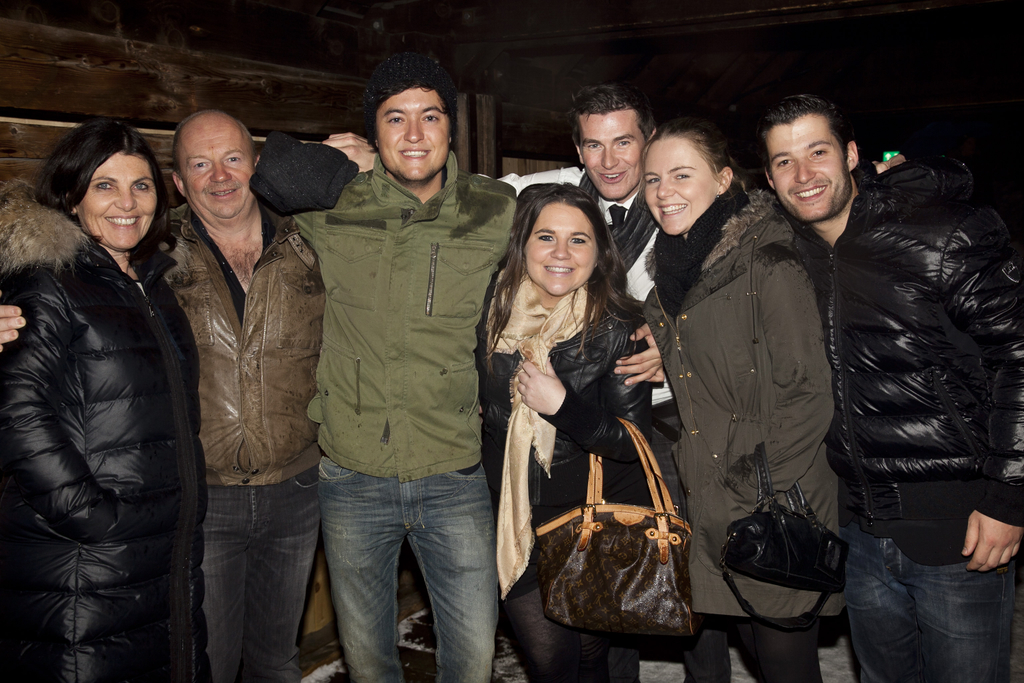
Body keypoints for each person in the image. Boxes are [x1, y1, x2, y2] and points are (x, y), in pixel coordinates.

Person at [250, 52, 517, 682]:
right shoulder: (333, 203)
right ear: (374, 131)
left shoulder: (494, 209)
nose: (415, 134)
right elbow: (265, 172)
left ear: (452, 128)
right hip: (353, 474)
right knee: (369, 662)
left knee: (473, 658)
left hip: (454, 468)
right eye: (396, 118)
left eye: (431, 116)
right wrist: (339, 159)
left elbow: (577, 247)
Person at [757, 94, 1024, 683]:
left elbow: (1018, 356)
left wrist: (1009, 497)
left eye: (818, 152)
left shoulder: (941, 234)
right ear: (769, 179)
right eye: (783, 161)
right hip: (856, 527)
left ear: (852, 155)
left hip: (958, 529)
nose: (803, 175)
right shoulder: (787, 257)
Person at [0, 118, 208, 681]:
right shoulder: (49, 282)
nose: (127, 203)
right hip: (84, 559)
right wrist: (90, 516)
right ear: (71, 197)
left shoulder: (151, 283)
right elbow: (16, 409)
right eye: (104, 185)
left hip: (159, 547)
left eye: (141, 185)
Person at [642, 117, 841, 683]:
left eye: (682, 175)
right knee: (756, 648)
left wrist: (749, 482)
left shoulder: (768, 262)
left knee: (785, 664)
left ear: (724, 180)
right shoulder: (675, 274)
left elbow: (808, 392)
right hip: (714, 498)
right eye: (653, 179)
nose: (664, 191)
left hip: (778, 496)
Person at [167, 109, 325, 683]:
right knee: (206, 662)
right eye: (200, 164)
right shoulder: (154, 251)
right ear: (178, 182)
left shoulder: (311, 239)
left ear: (256, 165)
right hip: (203, 496)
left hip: (297, 488)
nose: (220, 176)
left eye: (232, 158)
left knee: (276, 661)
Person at [478, 183, 652, 681]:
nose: (561, 253)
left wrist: (563, 408)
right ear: (522, 245)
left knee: (591, 657)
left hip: (586, 520)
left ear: (599, 254)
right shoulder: (490, 309)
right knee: (551, 661)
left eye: (578, 240)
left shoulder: (619, 325)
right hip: (508, 512)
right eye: (545, 237)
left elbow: (632, 442)